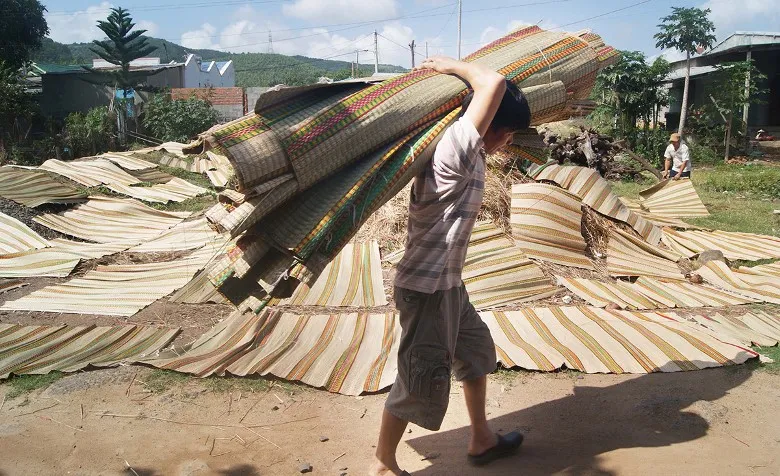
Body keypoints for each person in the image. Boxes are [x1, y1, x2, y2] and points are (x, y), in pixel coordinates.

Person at [369, 56, 531, 476]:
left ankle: (482, 439)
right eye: (508, 132)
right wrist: (450, 65)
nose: (508, 141)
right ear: (488, 123)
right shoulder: (453, 149)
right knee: (419, 378)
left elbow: (495, 93)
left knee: (476, 352)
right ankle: (384, 463)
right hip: (425, 290)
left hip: (449, 286)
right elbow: (492, 81)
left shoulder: (475, 153)